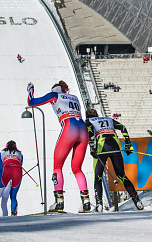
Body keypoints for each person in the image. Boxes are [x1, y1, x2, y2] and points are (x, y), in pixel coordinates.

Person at [27, 80, 90, 212]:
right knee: (77, 168)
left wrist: (30, 91)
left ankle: (59, 201)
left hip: (69, 126)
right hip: (83, 129)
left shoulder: (54, 94)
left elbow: (32, 103)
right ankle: (86, 202)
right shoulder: (74, 97)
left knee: (57, 166)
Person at [85, 108, 143, 212]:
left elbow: (90, 133)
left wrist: (92, 148)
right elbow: (123, 127)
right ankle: (137, 201)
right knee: (121, 176)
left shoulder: (89, 121)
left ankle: (99, 205)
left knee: (98, 177)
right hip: (115, 146)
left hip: (101, 147)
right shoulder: (108, 119)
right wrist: (128, 144)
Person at [0, 141, 23, 216]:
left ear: (6, 146)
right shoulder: (20, 153)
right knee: (13, 195)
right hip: (17, 171)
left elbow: (0, 165)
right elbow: (21, 163)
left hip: (6, 169)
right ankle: (14, 212)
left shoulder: (2, 152)